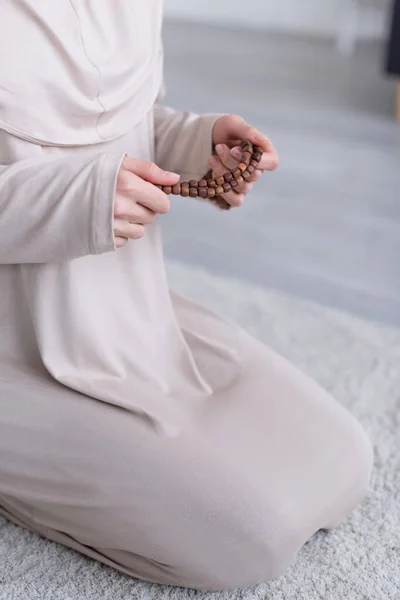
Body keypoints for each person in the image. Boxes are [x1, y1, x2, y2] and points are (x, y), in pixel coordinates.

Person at [0, 1, 373, 592]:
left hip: (133, 318)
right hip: (17, 349)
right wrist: (79, 202)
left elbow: (121, 122)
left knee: (344, 458)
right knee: (249, 538)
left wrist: (199, 142)